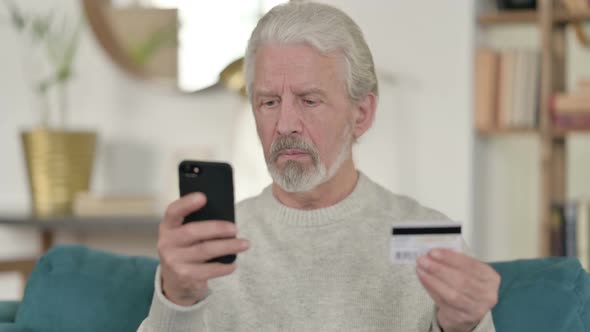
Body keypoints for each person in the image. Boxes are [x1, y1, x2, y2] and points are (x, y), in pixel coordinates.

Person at [138, 2, 500, 331]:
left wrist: (462, 327)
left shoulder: (429, 239)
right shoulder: (207, 247)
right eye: (268, 102)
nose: (285, 124)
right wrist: (178, 300)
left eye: (309, 100)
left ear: (361, 114)